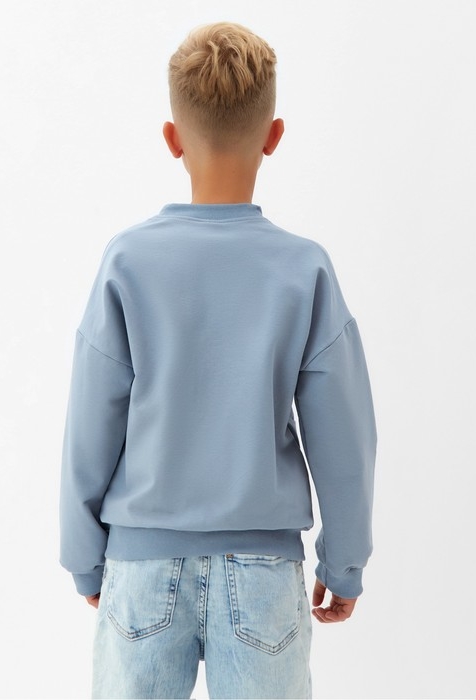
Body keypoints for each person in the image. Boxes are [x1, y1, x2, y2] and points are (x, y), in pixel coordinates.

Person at [59, 21, 377, 700]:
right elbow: (345, 438)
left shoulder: (128, 262)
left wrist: (85, 558)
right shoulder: (304, 270)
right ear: (274, 135)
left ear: (172, 138)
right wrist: (344, 562)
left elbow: (90, 422)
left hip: (141, 568)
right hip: (263, 574)